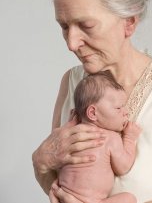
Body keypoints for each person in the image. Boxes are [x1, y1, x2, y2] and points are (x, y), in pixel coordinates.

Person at [32, 0, 152, 203]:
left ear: (129, 23)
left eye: (86, 25)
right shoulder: (71, 81)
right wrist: (40, 162)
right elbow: (61, 184)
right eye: (64, 26)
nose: (71, 43)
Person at [57, 71, 140, 203]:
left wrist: (70, 123)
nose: (126, 112)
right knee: (129, 199)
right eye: (119, 108)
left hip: (61, 197)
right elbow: (123, 167)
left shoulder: (71, 134)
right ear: (93, 113)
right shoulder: (109, 138)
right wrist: (130, 138)